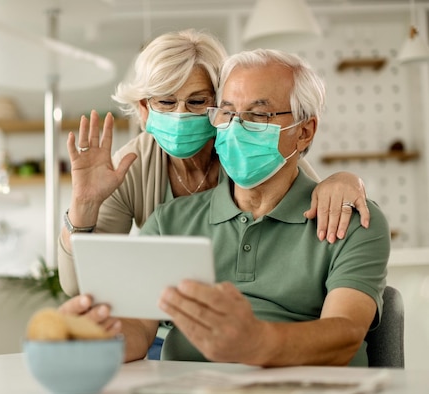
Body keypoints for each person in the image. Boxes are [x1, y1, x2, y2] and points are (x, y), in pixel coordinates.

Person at [61, 49, 390, 367]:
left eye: (258, 114)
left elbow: (345, 334)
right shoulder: (168, 221)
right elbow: (138, 327)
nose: (235, 127)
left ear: (304, 131)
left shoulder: (350, 222)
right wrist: (97, 338)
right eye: (228, 112)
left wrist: (257, 343)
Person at [58, 29, 369, 296]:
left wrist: (343, 180)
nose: (180, 114)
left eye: (197, 102)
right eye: (166, 101)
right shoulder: (130, 166)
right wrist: (83, 205)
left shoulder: (245, 149)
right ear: (143, 109)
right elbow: (80, 285)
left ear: (221, 104)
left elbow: (306, 193)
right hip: (165, 329)